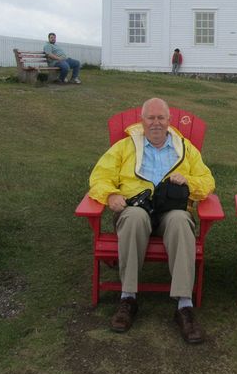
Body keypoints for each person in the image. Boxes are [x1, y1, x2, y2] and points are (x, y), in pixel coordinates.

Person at [88, 97, 215, 343]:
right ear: (142, 120)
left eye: (161, 118)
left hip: (171, 211)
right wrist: (110, 194)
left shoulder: (185, 148)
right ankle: (128, 298)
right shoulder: (125, 147)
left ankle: (184, 306)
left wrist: (189, 181)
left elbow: (208, 181)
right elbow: (99, 176)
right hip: (136, 208)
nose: (156, 123)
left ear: (169, 121)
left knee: (180, 221)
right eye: (151, 118)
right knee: (135, 218)